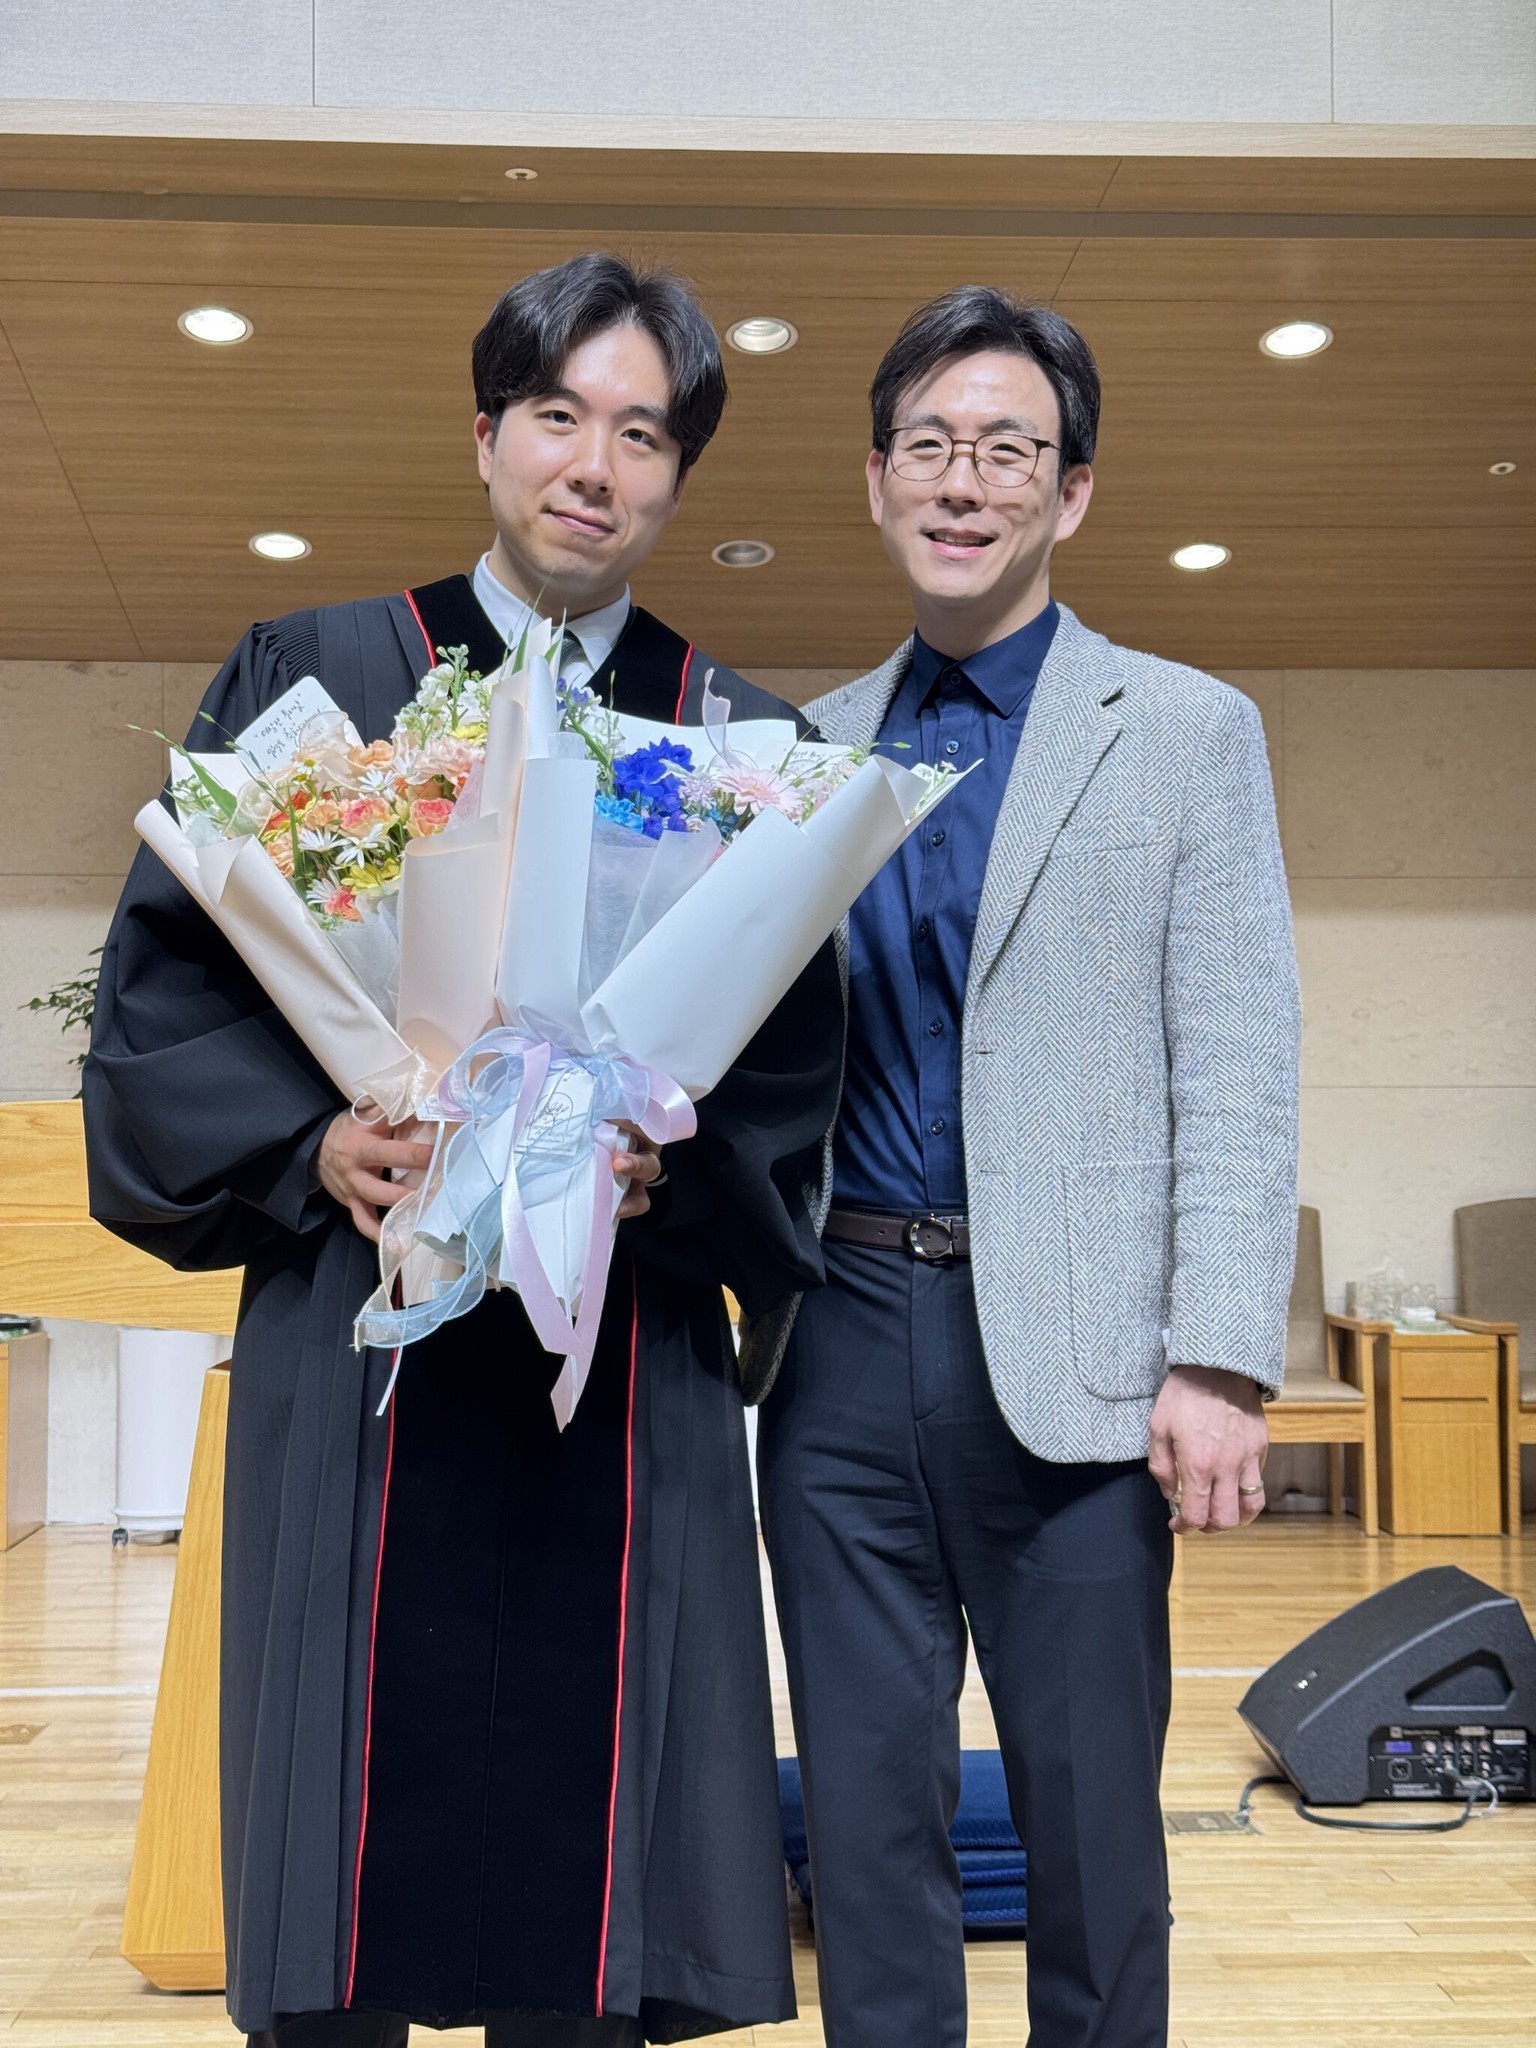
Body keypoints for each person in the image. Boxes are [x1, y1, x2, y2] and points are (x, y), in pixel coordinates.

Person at [84, 252, 841, 2048]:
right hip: (370, 1341)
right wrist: (309, 1148)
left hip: (614, 1355)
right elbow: (171, 1002)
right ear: (487, 432)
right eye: (560, 415)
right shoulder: (321, 680)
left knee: (582, 1910)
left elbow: (793, 1070)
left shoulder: (737, 744)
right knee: (346, 1865)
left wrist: (672, 1172)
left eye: (643, 435)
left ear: (678, 476)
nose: (595, 465)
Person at [743, 286, 1301, 2048]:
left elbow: (1240, 1058)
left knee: (1093, 1833)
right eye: (929, 444)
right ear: (877, 480)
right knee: (865, 1826)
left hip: (1079, 1363)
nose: (964, 479)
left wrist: (1217, 1356)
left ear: (1071, 492)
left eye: (1008, 448)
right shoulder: (798, 750)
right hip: (836, 1346)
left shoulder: (1187, 728)